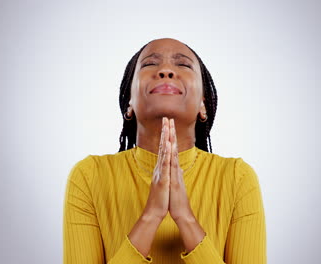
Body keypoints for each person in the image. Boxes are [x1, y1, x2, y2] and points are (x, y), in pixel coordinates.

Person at [63, 38, 266, 264]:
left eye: (183, 65)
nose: (166, 71)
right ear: (129, 102)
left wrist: (185, 218)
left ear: (203, 105)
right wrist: (151, 216)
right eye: (150, 64)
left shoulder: (238, 178)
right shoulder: (89, 176)